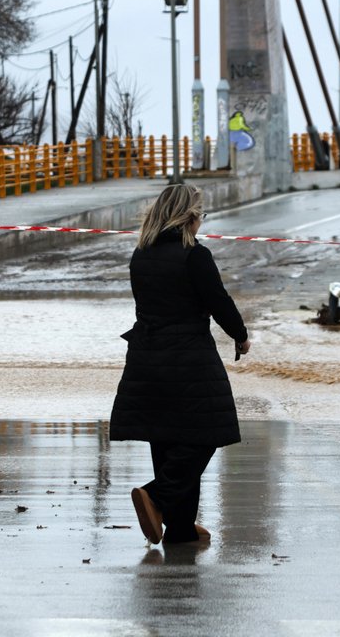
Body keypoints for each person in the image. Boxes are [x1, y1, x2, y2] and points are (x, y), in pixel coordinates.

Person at [110, 184, 250, 545]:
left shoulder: (141, 253)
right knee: (208, 431)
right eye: (200, 215)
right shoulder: (194, 255)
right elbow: (217, 300)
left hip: (146, 354)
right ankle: (156, 496)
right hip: (188, 354)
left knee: (167, 436)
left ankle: (180, 528)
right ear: (189, 216)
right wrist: (240, 334)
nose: (201, 221)